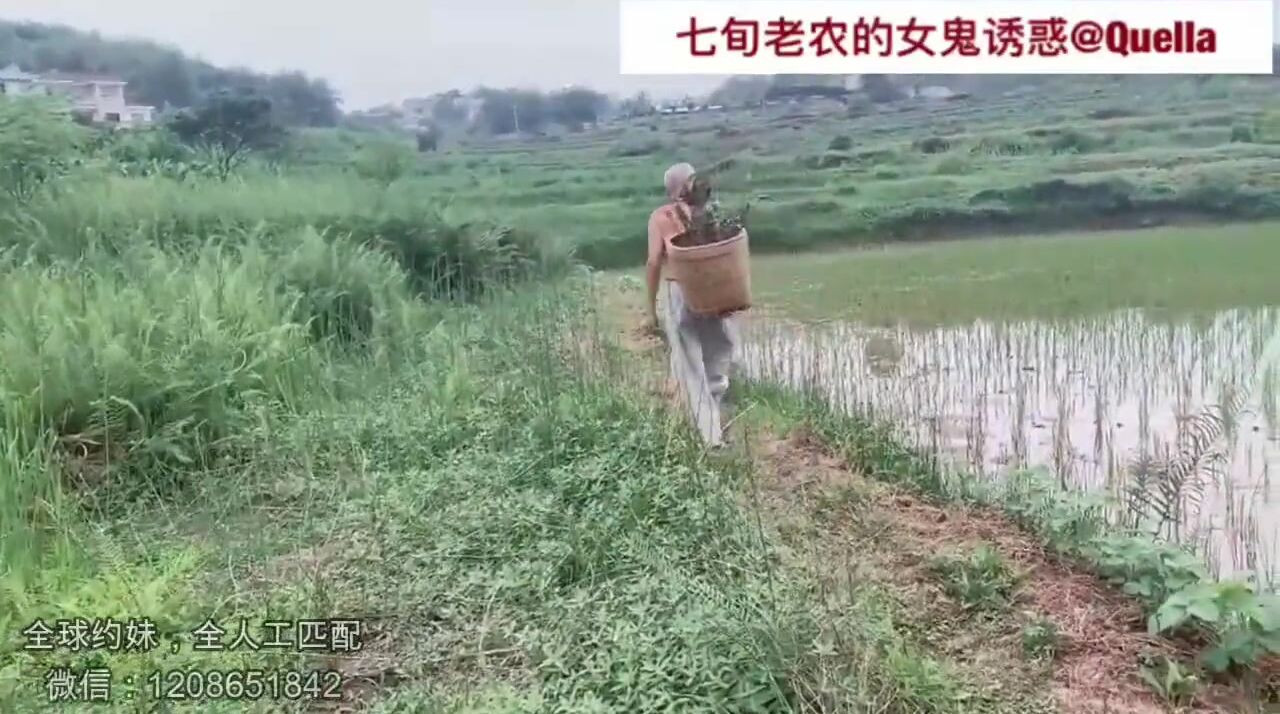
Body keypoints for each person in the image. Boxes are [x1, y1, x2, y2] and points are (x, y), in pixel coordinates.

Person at [645, 162, 737, 448]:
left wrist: (650, 308)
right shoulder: (711, 213)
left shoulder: (661, 217)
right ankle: (712, 419)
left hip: (680, 291)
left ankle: (710, 436)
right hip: (714, 289)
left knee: (691, 366)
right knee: (716, 357)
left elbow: (653, 261)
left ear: (670, 190)